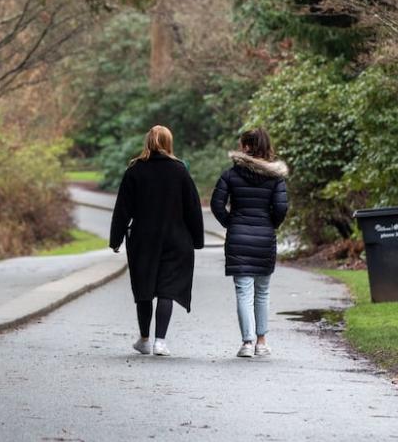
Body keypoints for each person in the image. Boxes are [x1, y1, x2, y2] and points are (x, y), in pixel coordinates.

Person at [109, 125, 205, 357]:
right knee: (166, 290)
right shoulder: (180, 170)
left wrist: (116, 238)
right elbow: (192, 208)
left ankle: (144, 339)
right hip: (176, 238)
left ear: (148, 143)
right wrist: (198, 239)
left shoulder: (134, 170)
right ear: (168, 143)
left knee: (144, 289)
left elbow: (123, 208)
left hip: (143, 240)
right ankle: (160, 341)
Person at [211, 128, 289, 359]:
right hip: (265, 238)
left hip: (238, 238)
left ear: (246, 147)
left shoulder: (230, 175)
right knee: (262, 292)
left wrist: (231, 223)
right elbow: (282, 208)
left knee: (243, 292)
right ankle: (262, 343)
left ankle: (246, 343)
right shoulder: (276, 177)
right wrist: (271, 224)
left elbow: (217, 204)